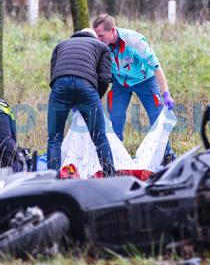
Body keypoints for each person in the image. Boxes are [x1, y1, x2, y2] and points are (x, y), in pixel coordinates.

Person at [92, 14, 175, 163]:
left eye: (101, 36)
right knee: (116, 117)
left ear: (112, 30)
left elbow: (156, 67)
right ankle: (115, 157)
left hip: (144, 80)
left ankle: (166, 153)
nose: (98, 39)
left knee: (156, 115)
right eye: (96, 36)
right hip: (120, 83)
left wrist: (166, 93)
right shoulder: (100, 46)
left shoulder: (135, 42)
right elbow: (98, 73)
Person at [48, 28, 115, 175]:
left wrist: (67, 98)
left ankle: (50, 180)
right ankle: (111, 176)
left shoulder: (61, 45)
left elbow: (54, 75)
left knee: (54, 139)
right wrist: (94, 99)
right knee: (100, 138)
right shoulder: (102, 47)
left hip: (59, 86)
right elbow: (104, 78)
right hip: (86, 86)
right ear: (94, 37)